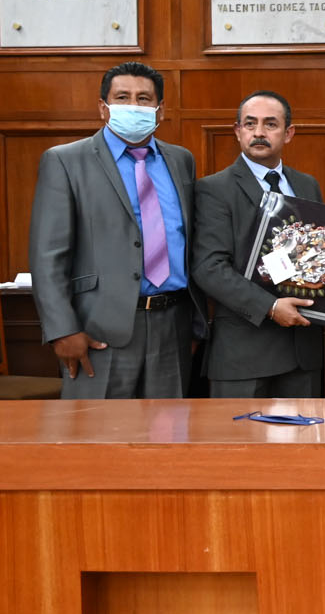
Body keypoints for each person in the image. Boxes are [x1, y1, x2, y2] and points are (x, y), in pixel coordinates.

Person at [28, 61, 202, 398]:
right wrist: (62, 329)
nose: (133, 106)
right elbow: (47, 255)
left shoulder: (181, 160)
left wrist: (196, 324)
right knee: (98, 429)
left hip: (173, 326)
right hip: (98, 330)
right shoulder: (66, 161)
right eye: (122, 97)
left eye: (143, 98)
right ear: (103, 107)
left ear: (160, 109)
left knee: (169, 428)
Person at [193, 91, 325, 397]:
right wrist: (269, 307)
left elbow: (319, 256)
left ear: (288, 133)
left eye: (270, 124)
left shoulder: (307, 184)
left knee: (304, 430)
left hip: (303, 351)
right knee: (238, 431)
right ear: (237, 131)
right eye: (250, 124)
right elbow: (209, 268)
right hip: (244, 355)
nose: (259, 132)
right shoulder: (214, 189)